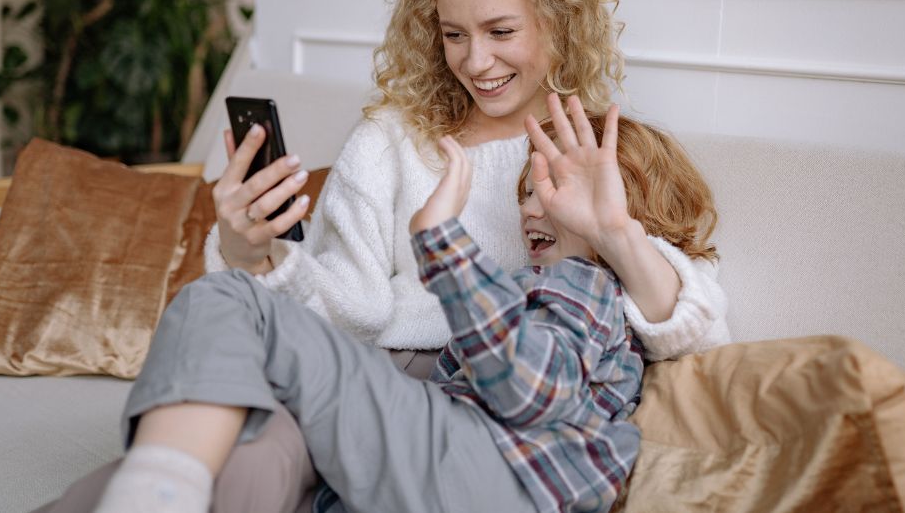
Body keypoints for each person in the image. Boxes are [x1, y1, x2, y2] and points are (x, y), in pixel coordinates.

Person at [40, 0, 729, 512]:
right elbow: (350, 304)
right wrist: (255, 253)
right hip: (375, 369)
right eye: (454, 34)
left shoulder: (590, 152)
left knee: (225, 417)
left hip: (475, 412)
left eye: (500, 31)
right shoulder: (392, 140)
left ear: (559, 24)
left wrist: (612, 233)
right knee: (235, 456)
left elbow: (695, 331)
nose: (475, 61)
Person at [91, 94, 718, 513]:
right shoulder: (572, 297)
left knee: (229, 295)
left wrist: (440, 240)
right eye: (526, 192)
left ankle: (155, 490)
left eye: (552, 190)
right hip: (470, 472)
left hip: (491, 472)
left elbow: (532, 392)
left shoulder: (585, 284)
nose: (530, 207)